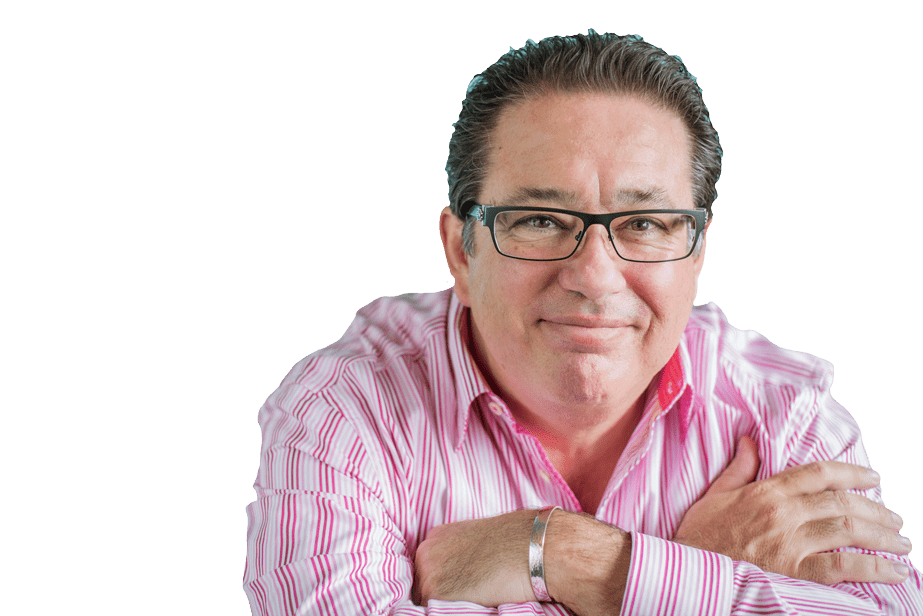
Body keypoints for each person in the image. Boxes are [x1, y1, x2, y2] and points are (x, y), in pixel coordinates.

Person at [242, 32, 922, 615]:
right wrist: (689, 572)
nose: (594, 276)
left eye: (647, 224)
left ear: (697, 252)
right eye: (539, 220)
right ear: (459, 250)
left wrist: (556, 555)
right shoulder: (341, 408)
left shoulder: (786, 413)